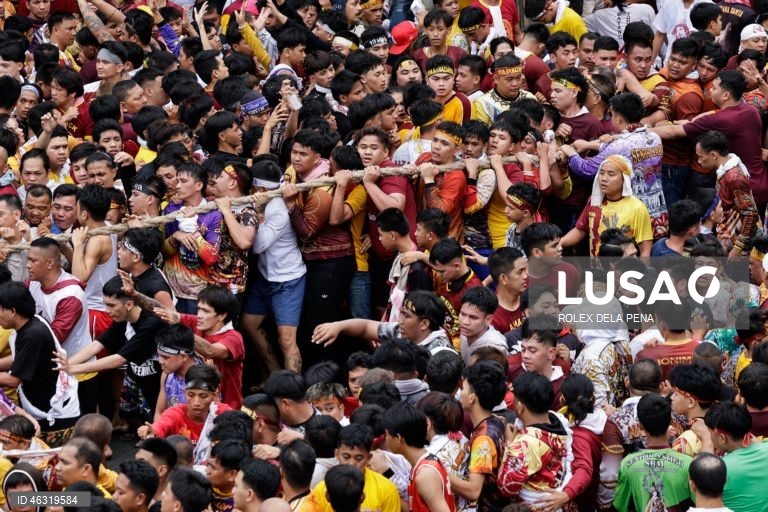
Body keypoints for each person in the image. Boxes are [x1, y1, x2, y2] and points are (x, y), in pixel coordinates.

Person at [0, 282, 77, 446]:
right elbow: (21, 359)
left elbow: (14, 380)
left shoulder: (33, 334)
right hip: (41, 406)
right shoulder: (31, 322)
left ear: (13, 311)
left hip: (54, 415)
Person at [498, 372, 572, 507]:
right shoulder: (558, 420)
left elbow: (506, 487)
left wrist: (509, 444)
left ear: (520, 406)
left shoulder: (525, 444)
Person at [561, 155, 653, 257]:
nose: (604, 178)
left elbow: (645, 251)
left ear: (624, 179)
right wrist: (559, 243)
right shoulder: (594, 200)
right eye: (601, 173)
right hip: (597, 270)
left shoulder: (637, 208)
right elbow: (581, 229)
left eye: (611, 174)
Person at [613, 394, 694, 511]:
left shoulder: (628, 464)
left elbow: (620, 506)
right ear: (670, 422)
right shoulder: (688, 464)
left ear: (640, 425)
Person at [300, 424, 400, 512]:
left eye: (359, 458)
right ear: (337, 454)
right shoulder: (321, 489)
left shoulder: (386, 489)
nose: (351, 464)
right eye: (346, 457)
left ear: (369, 458)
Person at [451, 360, 507, 511]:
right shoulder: (495, 421)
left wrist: (438, 473)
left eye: (463, 388)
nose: (459, 393)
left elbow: (473, 490)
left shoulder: (483, 439)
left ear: (472, 398)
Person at [694, 131, 759, 257]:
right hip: (727, 241)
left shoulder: (734, 178)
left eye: (701, 156)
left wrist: (737, 248)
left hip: (738, 250)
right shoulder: (724, 171)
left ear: (713, 155)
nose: (699, 161)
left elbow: (750, 215)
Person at [384, 402, 455, 512]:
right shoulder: (421, 464)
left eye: (387, 434)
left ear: (398, 438)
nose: (386, 438)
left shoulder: (425, 475)